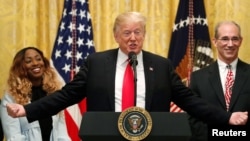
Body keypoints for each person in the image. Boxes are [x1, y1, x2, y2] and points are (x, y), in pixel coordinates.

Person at [5, 12, 248, 133]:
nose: (133, 38)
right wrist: (26, 110)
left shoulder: (161, 66)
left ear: (144, 35)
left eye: (138, 32)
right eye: (127, 33)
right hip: (107, 137)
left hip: (152, 137)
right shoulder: (96, 63)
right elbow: (65, 96)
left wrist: (226, 118)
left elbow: (190, 101)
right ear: (116, 35)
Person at [188, 21, 250, 141]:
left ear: (241, 41)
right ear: (215, 41)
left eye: (235, 39)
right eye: (225, 39)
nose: (230, 44)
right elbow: (194, 118)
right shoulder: (198, 77)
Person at [0, 47, 70, 141]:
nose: (36, 63)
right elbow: (14, 137)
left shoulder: (53, 93)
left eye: (38, 59)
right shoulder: (10, 98)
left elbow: (62, 134)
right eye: (29, 61)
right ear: (20, 67)